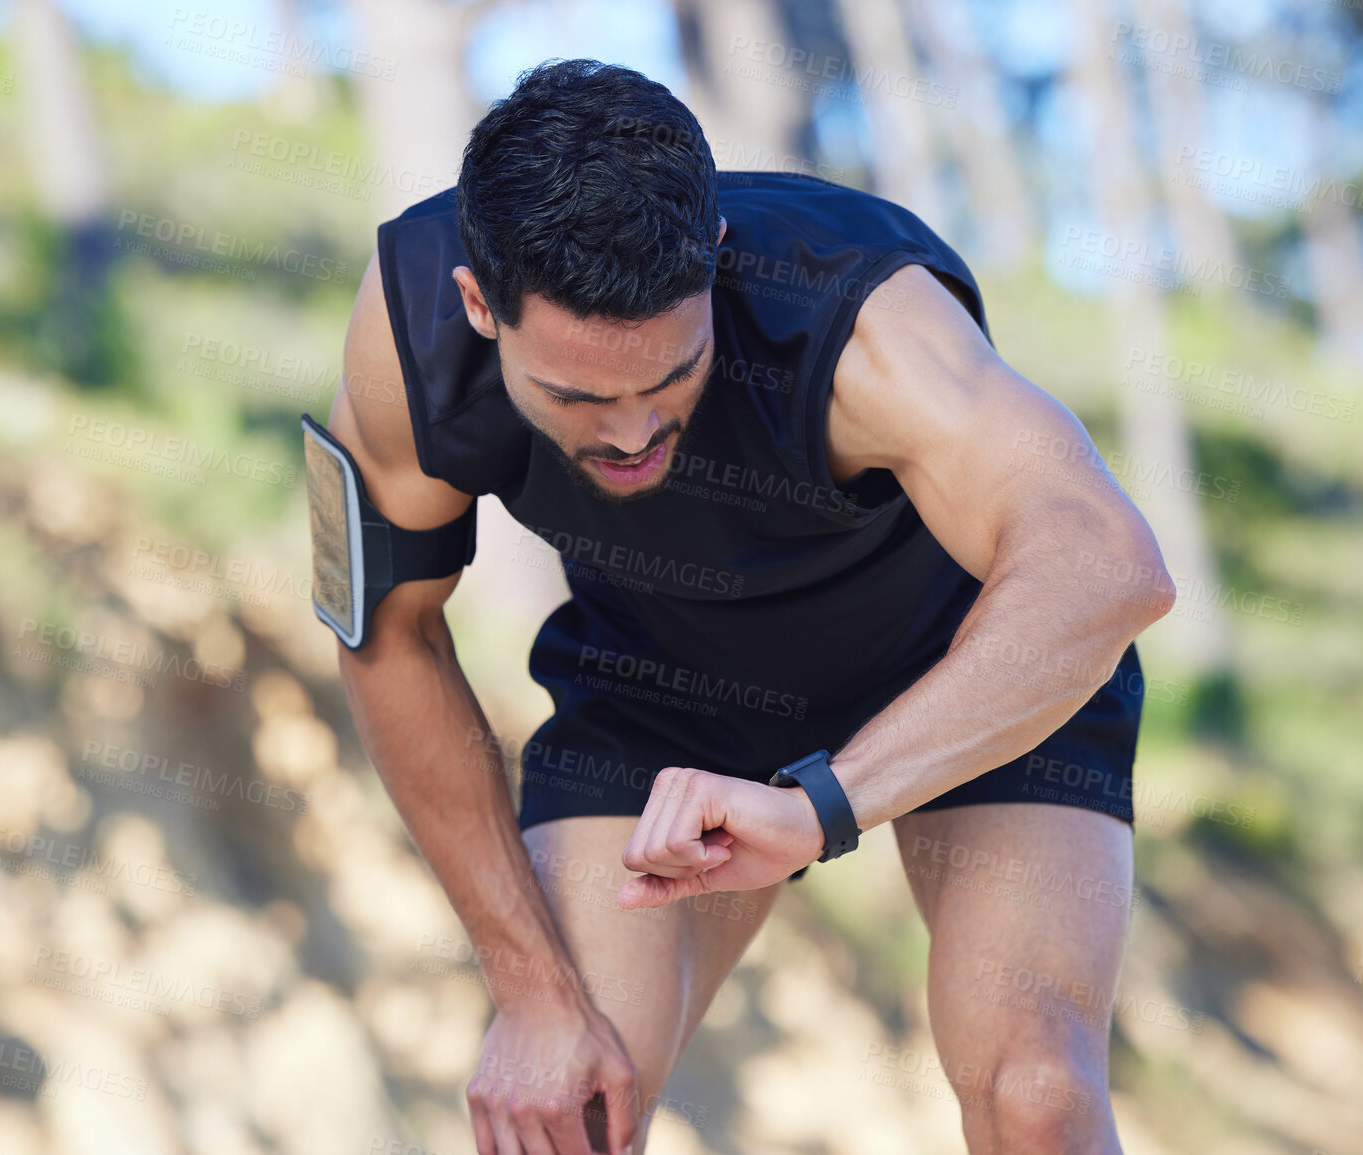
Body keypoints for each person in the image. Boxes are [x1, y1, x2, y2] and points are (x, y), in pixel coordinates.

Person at [323, 57, 1175, 1155]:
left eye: (668, 376)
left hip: (956, 659)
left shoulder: (858, 315)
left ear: (716, 261)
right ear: (481, 305)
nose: (630, 433)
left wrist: (825, 803)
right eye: (579, 397)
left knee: (1036, 1092)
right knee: (566, 1113)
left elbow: (1106, 566)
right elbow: (384, 634)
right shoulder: (408, 338)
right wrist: (534, 995)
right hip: (662, 685)